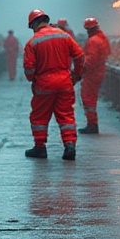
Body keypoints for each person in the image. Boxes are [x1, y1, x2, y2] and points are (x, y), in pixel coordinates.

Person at [23, 10, 85, 161]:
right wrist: (76, 74)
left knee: (39, 117)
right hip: (65, 82)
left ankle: (40, 148)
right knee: (66, 115)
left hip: (44, 84)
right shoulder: (64, 36)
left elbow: (29, 68)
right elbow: (80, 56)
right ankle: (69, 145)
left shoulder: (33, 42)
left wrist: (33, 79)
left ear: (34, 24)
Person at [78, 17, 111, 134]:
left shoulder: (93, 41)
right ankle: (92, 123)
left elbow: (91, 59)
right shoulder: (101, 39)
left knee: (88, 97)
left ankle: (92, 124)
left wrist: (81, 70)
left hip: (93, 73)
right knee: (91, 97)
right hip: (99, 70)